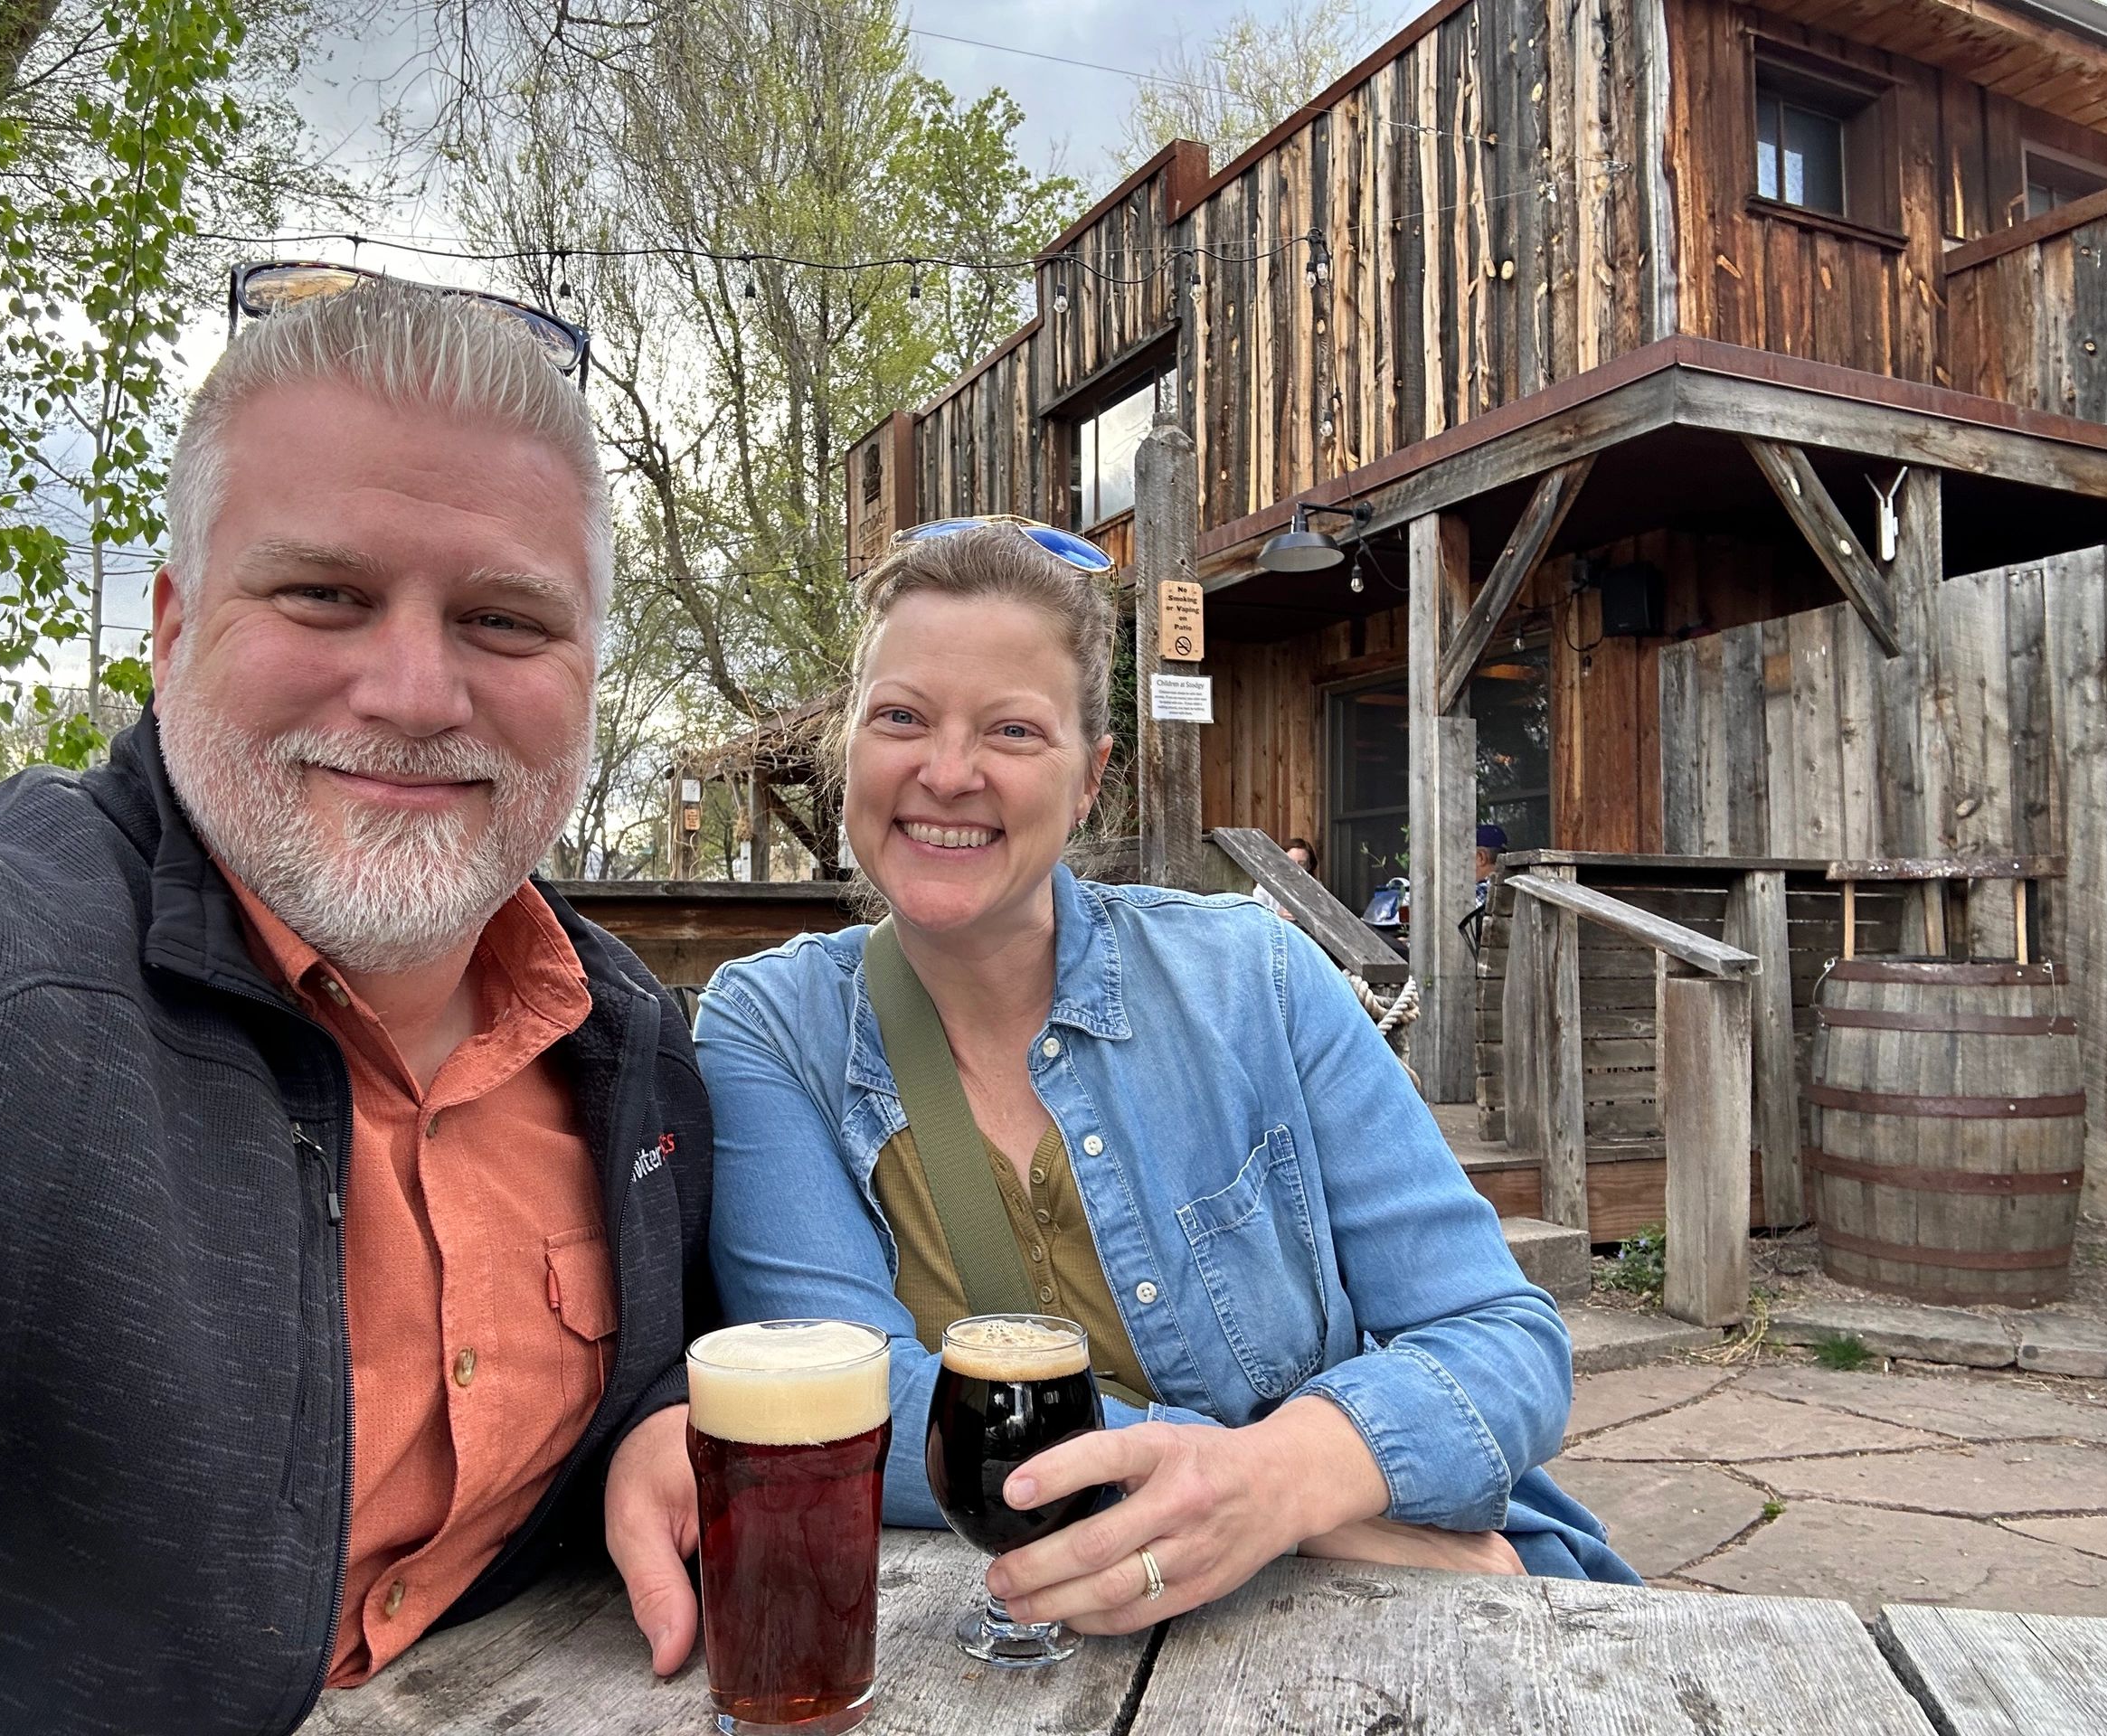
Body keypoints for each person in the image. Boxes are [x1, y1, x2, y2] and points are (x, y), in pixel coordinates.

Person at [0, 279, 712, 1734]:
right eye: (326, 594)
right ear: (174, 629)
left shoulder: (632, 1054)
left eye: (505, 620)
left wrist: (658, 1425)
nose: (415, 688)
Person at [696, 522, 1630, 1645]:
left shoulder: (1258, 978)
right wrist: (1299, 1505)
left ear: (1090, 780)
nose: (947, 772)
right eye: (901, 718)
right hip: (1097, 1623)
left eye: (1011, 729)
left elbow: (1497, 1336)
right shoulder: (767, 1029)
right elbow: (841, 1402)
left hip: (1357, 1626)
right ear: (849, 747)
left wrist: (1277, 1482)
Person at [1249, 835, 1317, 920]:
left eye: (1301, 863)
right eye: (1290, 861)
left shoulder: (1317, 891)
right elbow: (1256, 916)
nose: (1294, 867)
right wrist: (1277, 915)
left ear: (1309, 866)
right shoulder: (1265, 887)